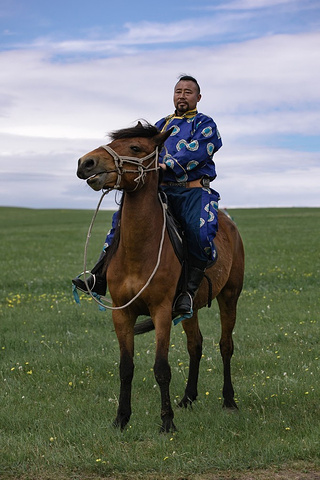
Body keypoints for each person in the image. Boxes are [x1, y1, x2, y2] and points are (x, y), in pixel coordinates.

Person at [72, 75, 222, 318]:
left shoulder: (205, 124)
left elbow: (201, 150)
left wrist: (167, 165)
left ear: (198, 97)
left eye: (187, 92)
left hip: (193, 191)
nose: (182, 95)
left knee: (199, 233)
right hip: (161, 189)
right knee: (121, 223)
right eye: (178, 91)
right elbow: (143, 150)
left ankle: (187, 292)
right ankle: (99, 276)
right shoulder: (160, 125)